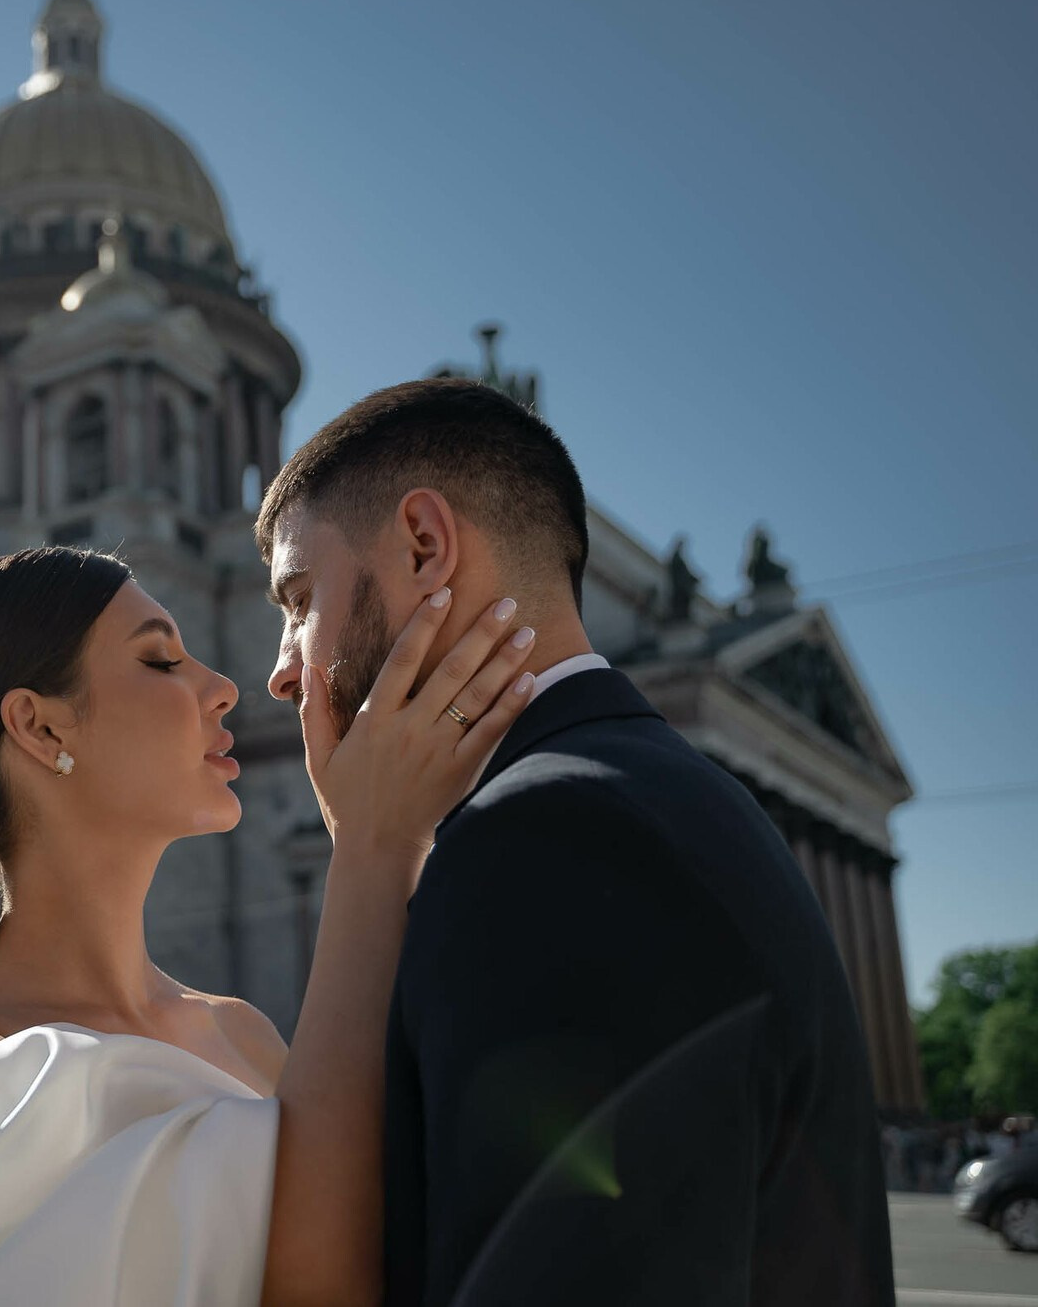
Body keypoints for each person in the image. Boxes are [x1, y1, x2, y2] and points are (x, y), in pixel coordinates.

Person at [254, 378, 893, 1305]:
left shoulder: (543, 839)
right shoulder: (667, 793)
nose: (281, 671)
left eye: (298, 600)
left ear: (425, 546)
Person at [0, 544, 534, 1305]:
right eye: (161, 660)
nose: (224, 689)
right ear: (41, 729)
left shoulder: (244, 1033)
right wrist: (375, 847)